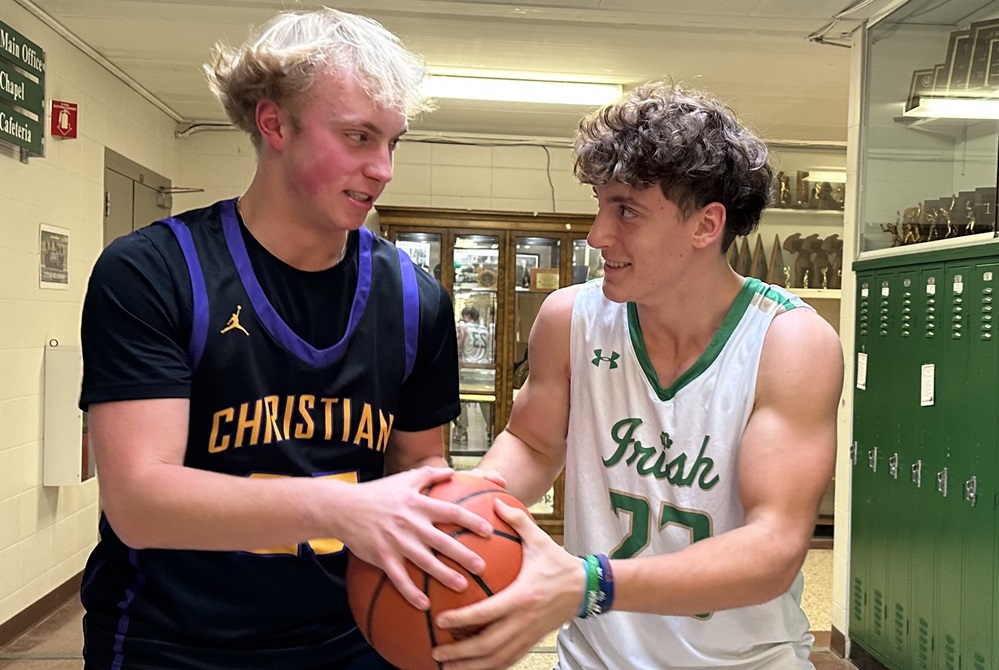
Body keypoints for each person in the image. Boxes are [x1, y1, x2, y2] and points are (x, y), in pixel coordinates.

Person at [77, 8, 495, 669]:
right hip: (173, 645)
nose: (383, 168)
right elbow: (139, 500)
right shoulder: (154, 272)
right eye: (358, 136)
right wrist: (346, 509)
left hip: (354, 640)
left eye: (393, 141)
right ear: (274, 124)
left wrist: (478, 558)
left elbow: (417, 470)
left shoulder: (416, 299)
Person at [431, 80, 844, 669]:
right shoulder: (569, 318)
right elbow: (532, 442)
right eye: (601, 203)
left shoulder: (789, 342)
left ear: (706, 226)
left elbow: (773, 546)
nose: (599, 234)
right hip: (594, 660)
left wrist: (587, 583)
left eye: (626, 210)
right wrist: (460, 513)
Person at [452, 306, 493, 448]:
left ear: (467, 315)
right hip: (484, 368)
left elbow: (458, 345)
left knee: (462, 400)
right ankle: (491, 430)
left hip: (467, 367)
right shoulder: (485, 329)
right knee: (486, 402)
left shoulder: (464, 327)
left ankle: (462, 431)